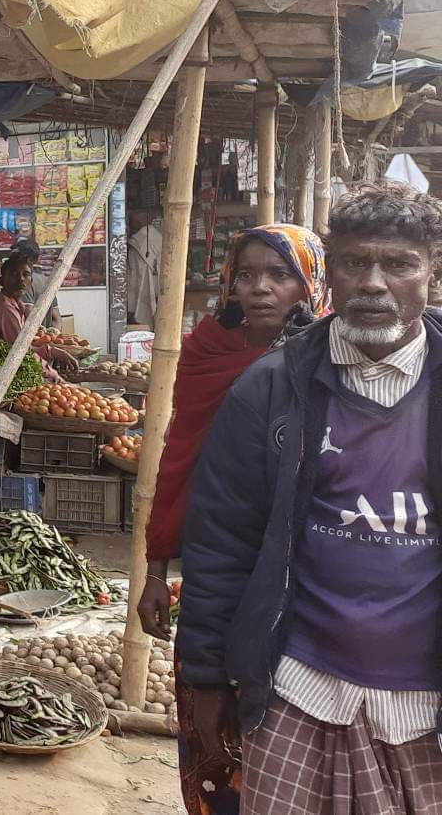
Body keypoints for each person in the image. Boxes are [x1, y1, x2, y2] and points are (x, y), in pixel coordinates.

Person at [180, 181, 442, 814]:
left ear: (433, 274)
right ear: (332, 273)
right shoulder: (270, 389)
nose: (375, 283)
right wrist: (207, 677)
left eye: (400, 265)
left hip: (426, 711)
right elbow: (221, 541)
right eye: (355, 263)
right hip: (297, 690)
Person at [130, 224, 326, 815]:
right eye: (247, 275)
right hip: (220, 576)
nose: (260, 289)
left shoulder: (334, 364)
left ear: (311, 284)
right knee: (215, 748)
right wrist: (155, 570)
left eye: (280, 275)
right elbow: (179, 456)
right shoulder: (209, 353)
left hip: (304, 587)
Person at [126, 208, 164, 326]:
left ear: (137, 223)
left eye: (131, 223)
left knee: (142, 315)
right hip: (159, 283)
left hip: (141, 284)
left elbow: (133, 269)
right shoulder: (159, 236)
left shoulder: (137, 241)